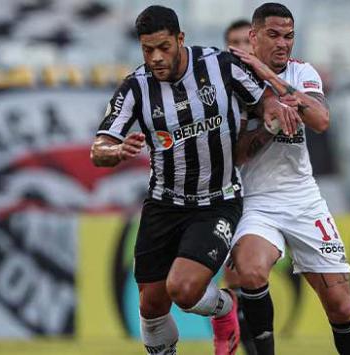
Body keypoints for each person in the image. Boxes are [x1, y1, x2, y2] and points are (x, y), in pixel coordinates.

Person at [90, 5, 300, 355]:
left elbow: (265, 102)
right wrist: (113, 151)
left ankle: (226, 308)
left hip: (217, 201)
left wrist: (276, 111)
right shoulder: (136, 88)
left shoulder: (220, 66)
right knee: (151, 308)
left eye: (163, 47)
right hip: (163, 204)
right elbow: (100, 146)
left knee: (184, 290)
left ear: (180, 39)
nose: (156, 57)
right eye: (147, 49)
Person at [228, 3, 350, 355]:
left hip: (303, 199)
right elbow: (237, 154)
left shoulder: (302, 71)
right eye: (273, 35)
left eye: (288, 36)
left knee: (340, 305)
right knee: (251, 271)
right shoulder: (235, 81)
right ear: (254, 36)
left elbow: (321, 120)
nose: (282, 43)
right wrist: (269, 125)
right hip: (255, 198)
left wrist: (272, 78)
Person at [221, 18, 258, 355]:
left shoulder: (273, 87)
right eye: (233, 43)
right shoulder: (220, 94)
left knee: (252, 278)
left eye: (245, 41)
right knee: (234, 281)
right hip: (229, 197)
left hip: (268, 198)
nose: (240, 49)